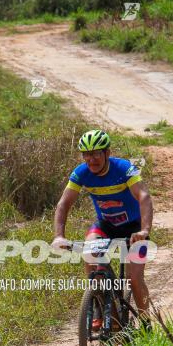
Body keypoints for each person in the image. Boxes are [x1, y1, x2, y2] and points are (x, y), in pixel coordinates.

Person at [51, 129, 154, 327]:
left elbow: (144, 197)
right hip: (106, 226)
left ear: (107, 153)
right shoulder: (81, 173)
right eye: (86, 155)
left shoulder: (124, 168)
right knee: (90, 256)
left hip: (134, 228)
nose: (91, 160)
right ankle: (107, 314)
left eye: (96, 153)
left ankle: (146, 323)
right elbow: (64, 204)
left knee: (134, 278)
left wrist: (144, 231)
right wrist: (59, 236)